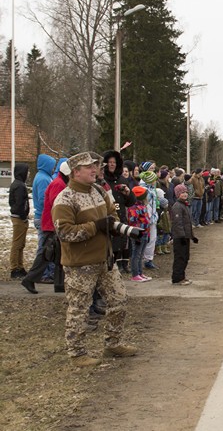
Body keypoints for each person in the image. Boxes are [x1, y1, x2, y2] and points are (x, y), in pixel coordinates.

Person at [52, 151, 136, 367]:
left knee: (119, 299)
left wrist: (118, 228)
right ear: (76, 172)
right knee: (79, 309)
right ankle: (77, 354)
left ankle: (112, 343)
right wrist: (95, 226)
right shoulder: (65, 198)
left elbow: (112, 216)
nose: (95, 170)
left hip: (104, 260)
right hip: (80, 265)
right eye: (89, 167)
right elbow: (65, 233)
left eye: (95, 166)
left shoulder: (98, 191)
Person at [21, 158, 69, 294]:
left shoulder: (58, 182)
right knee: (46, 254)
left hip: (53, 223)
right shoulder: (58, 184)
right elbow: (57, 205)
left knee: (55, 254)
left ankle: (59, 284)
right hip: (51, 224)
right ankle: (30, 279)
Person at [102, 151, 135, 274]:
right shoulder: (102, 180)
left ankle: (116, 269)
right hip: (107, 219)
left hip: (120, 218)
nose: (112, 165)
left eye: (114, 163)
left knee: (120, 246)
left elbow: (130, 202)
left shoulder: (122, 179)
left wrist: (127, 193)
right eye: (109, 162)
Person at [32, 153, 57, 281]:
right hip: (43, 216)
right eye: (52, 165)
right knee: (45, 247)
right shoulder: (43, 179)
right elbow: (43, 199)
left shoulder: (43, 176)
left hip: (41, 215)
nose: (53, 168)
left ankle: (43, 273)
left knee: (45, 246)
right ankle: (43, 274)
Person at [170, 184, 197, 285]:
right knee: (180, 258)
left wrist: (192, 236)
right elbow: (178, 223)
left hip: (185, 236)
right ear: (177, 194)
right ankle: (177, 278)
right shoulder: (177, 206)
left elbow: (187, 223)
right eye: (182, 193)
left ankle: (182, 276)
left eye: (186, 192)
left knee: (185, 257)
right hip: (180, 237)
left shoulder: (184, 205)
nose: (185, 194)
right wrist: (181, 236)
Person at [9, 163, 30, 279]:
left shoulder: (18, 184)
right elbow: (19, 203)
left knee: (21, 244)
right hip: (19, 218)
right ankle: (14, 268)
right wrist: (23, 216)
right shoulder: (19, 186)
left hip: (19, 217)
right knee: (17, 244)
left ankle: (20, 266)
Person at [127, 186, 152, 282]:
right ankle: (135, 274)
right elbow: (133, 222)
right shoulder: (133, 207)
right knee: (136, 254)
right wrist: (137, 235)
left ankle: (140, 272)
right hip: (138, 234)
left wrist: (148, 234)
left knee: (141, 254)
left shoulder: (143, 206)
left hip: (145, 233)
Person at [138, 169, 160, 270]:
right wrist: (147, 217)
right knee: (145, 239)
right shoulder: (144, 191)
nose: (155, 181)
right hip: (145, 218)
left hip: (152, 218)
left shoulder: (152, 189)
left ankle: (148, 259)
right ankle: (143, 260)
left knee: (152, 239)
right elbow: (145, 205)